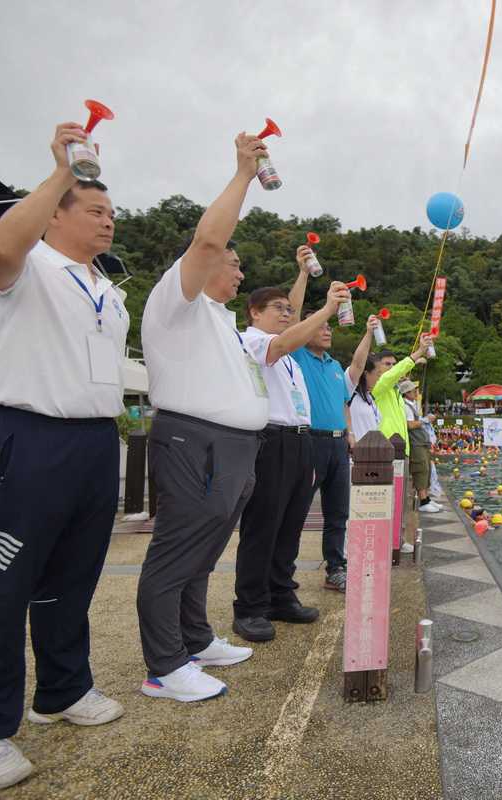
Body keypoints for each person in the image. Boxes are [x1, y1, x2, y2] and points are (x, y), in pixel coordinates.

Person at [0, 123, 128, 791]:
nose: (108, 221)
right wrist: (60, 169)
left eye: (112, 212)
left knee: (72, 579)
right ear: (55, 212)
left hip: (89, 442)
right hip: (26, 439)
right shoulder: (24, 267)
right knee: (2, 585)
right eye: (93, 210)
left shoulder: (108, 291)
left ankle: (62, 689)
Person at [136, 132, 280, 703]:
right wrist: (245, 174)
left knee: (202, 551)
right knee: (175, 552)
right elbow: (207, 239)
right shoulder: (179, 299)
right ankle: (163, 666)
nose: (240, 272)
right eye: (234, 260)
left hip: (235, 446)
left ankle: (194, 639)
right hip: (194, 440)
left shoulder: (219, 319)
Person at [232, 280, 350, 642]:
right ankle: (250, 605)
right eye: (278, 309)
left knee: (290, 525)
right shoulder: (252, 340)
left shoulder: (290, 360)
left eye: (288, 309)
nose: (286, 314)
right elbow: (283, 341)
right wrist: (328, 309)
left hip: (301, 441)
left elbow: (288, 340)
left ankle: (280, 593)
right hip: (271, 439)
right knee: (263, 525)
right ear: (254, 312)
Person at [286, 256, 380, 593]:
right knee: (295, 509)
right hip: (309, 442)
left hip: (338, 445)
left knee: (338, 512)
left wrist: (368, 332)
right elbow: (293, 318)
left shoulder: (333, 366)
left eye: (328, 325)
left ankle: (335, 568)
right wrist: (303, 273)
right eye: (320, 325)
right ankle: (283, 570)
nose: (326, 329)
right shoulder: (296, 356)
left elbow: (356, 369)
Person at [369, 335, 434, 553]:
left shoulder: (395, 391)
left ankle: (396, 537)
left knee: (401, 499)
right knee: (384, 500)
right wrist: (417, 354)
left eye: (393, 364)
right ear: (376, 368)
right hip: (386, 450)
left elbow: (398, 375)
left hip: (401, 450)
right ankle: (385, 540)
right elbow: (393, 375)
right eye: (387, 364)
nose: (391, 368)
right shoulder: (379, 386)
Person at [401, 380, 440, 513]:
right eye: (413, 390)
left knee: (427, 469)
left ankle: (427, 499)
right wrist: (425, 420)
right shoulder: (405, 406)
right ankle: (423, 501)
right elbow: (409, 424)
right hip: (415, 443)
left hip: (422, 442)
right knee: (420, 469)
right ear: (406, 393)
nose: (416, 392)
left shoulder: (412, 404)